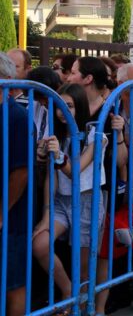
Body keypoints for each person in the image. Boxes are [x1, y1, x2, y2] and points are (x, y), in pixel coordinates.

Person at [33, 84, 108, 309]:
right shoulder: (55, 134)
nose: (62, 112)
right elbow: (51, 177)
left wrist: (58, 155)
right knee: (40, 244)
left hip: (87, 202)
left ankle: (78, 308)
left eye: (69, 106)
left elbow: (75, 171)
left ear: (80, 106)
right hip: (60, 202)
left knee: (83, 269)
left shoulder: (96, 134)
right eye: (59, 106)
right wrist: (46, 216)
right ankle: (67, 290)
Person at [0, 53, 32, 316]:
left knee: (14, 284)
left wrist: (2, 212)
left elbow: (21, 173)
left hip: (11, 218)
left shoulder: (16, 116)